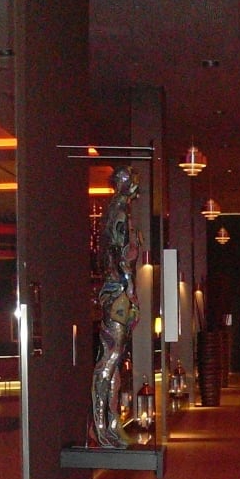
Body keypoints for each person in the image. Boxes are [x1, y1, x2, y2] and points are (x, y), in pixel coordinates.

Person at [92, 166, 142, 447]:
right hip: (118, 294)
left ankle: (110, 424)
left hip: (115, 292)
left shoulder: (114, 211)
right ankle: (102, 427)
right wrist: (130, 293)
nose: (136, 186)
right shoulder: (120, 213)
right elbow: (121, 259)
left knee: (113, 361)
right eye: (132, 181)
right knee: (109, 361)